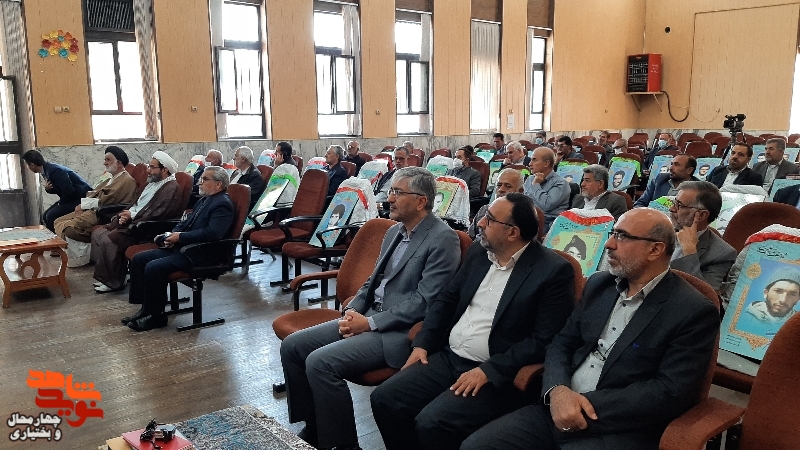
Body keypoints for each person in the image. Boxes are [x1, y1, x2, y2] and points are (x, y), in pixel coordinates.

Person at [461, 208, 720, 450]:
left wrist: (582, 405)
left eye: (622, 236)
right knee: (476, 446)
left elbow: (669, 391)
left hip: (617, 426)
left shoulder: (692, 310)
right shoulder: (600, 285)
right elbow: (562, 343)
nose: (609, 244)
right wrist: (557, 390)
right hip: (557, 404)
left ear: (655, 249)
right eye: (612, 234)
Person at [370, 194, 575, 450]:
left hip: (495, 371)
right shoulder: (480, 251)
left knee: (433, 422)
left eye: (489, 219)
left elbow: (544, 339)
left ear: (513, 232)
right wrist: (423, 343)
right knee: (385, 398)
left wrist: (489, 370)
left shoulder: (552, 271)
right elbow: (447, 299)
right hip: (449, 356)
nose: (480, 223)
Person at [279, 167, 461, 450]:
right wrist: (353, 310)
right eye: (391, 191)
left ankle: (343, 445)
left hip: (399, 331)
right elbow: (372, 281)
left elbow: (425, 301)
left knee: (320, 362)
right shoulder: (394, 232)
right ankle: (315, 426)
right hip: (368, 316)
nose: (390, 198)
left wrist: (370, 324)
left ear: (421, 201)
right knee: (293, 346)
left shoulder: (443, 239)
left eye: (397, 192)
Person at [123, 166, 234, 332]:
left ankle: (156, 316)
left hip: (202, 253)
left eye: (205, 179)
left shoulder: (222, 204)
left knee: (154, 267)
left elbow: (213, 233)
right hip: (186, 248)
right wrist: (171, 235)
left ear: (218, 184)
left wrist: (180, 237)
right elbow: (185, 223)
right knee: (140, 259)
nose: (199, 182)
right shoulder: (204, 200)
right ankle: (146, 309)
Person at [91, 151, 183, 293]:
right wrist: (125, 214)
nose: (148, 170)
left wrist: (131, 216)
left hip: (147, 228)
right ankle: (111, 276)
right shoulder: (150, 183)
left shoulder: (171, 187)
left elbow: (158, 214)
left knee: (109, 240)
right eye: (148, 166)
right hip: (135, 219)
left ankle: (114, 282)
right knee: (98, 233)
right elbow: (137, 204)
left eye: (152, 167)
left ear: (164, 170)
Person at [53, 146, 137, 266]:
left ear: (118, 162)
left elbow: (106, 201)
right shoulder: (111, 178)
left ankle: (83, 258)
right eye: (105, 160)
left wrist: (83, 206)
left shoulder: (126, 180)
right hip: (91, 210)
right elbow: (94, 193)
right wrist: (83, 206)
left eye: (108, 160)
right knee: (58, 221)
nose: (105, 163)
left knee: (68, 228)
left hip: (102, 214)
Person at [668, 181, 736, 291]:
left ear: (702, 215)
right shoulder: (660, 228)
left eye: (679, 205)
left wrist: (689, 251)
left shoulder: (722, 254)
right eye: (674, 202)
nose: (672, 208)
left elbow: (704, 295)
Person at [22, 149, 92, 232]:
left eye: (27, 165)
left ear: (32, 165)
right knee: (45, 215)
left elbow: (68, 191)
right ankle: (52, 237)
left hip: (81, 198)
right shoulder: (46, 170)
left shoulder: (54, 170)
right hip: (72, 197)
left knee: (50, 216)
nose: (27, 167)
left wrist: (60, 203)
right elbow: (59, 188)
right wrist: (48, 189)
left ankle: (57, 238)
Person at [737, 268, 800, 336]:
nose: (783, 300)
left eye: (792, 294)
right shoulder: (741, 319)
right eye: (778, 291)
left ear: (798, 299)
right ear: (766, 293)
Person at [524, 147, 570, 232]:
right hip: (527, 219)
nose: (530, 163)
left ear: (546, 163)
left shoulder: (561, 183)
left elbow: (547, 206)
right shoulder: (530, 179)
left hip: (547, 223)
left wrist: (536, 185)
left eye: (534, 160)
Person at [470, 169, 524, 239]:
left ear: (520, 191)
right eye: (499, 185)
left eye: (508, 186)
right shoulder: (484, 209)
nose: (501, 189)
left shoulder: (524, 216)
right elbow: (470, 236)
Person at [229, 146, 266, 210]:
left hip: (235, 207)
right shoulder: (236, 172)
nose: (234, 158)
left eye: (236, 156)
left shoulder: (255, 176)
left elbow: (247, 197)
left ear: (243, 159)